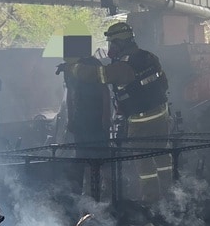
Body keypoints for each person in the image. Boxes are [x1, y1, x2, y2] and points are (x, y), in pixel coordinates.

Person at [66, 21, 172, 201]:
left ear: (121, 43)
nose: (110, 48)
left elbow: (99, 75)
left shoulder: (124, 66)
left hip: (141, 121)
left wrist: (72, 67)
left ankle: (151, 200)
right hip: (161, 114)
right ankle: (170, 195)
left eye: (112, 44)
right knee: (162, 156)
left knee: (144, 162)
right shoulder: (149, 57)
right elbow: (164, 83)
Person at [56, 32, 111, 195]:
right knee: (82, 155)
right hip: (81, 120)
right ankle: (84, 191)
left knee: (101, 156)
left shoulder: (94, 64)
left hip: (96, 118)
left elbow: (104, 92)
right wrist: (71, 118)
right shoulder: (69, 69)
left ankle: (105, 188)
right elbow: (71, 94)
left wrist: (106, 117)